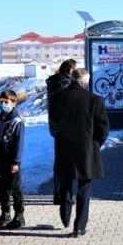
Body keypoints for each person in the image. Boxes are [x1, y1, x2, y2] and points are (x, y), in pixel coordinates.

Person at [49, 68, 110, 237]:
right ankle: (79, 226)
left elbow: (53, 123)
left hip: (64, 147)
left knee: (65, 182)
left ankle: (65, 212)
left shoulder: (57, 99)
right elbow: (103, 127)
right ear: (84, 82)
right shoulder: (94, 100)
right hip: (86, 149)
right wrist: (96, 142)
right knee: (84, 187)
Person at [0, 90, 26, 229]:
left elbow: (18, 143)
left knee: (15, 187)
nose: (3, 104)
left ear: (13, 103)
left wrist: (16, 161)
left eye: (6, 102)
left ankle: (19, 215)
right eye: (1, 101)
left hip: (11, 160)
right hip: (0, 158)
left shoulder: (17, 121)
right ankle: (5, 213)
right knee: (2, 187)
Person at [46, 59, 76, 205]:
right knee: (67, 162)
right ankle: (63, 195)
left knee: (59, 161)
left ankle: (58, 194)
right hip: (66, 127)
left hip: (55, 126)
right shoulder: (65, 84)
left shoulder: (53, 83)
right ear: (70, 70)